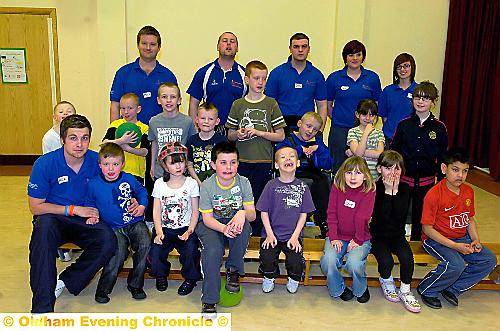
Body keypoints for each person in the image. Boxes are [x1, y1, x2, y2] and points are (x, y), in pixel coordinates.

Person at [27, 114, 117, 313]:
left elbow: (114, 186)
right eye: (73, 138)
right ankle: (42, 308)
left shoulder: (97, 161)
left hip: (85, 219)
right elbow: (36, 206)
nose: (79, 144)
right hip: (53, 217)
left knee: (109, 240)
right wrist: (71, 209)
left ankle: (67, 280)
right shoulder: (44, 164)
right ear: (62, 140)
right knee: (41, 237)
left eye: (84, 138)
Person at [417, 147, 497, 309]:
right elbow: (427, 229)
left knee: (489, 260)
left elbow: (469, 219)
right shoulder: (434, 194)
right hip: (435, 240)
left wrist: (475, 239)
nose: (460, 175)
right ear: (444, 169)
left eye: (465, 171)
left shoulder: (468, 191)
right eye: (455, 170)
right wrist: (454, 246)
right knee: (456, 264)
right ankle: (427, 289)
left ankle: (453, 288)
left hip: (462, 238)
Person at [195, 142, 255, 317]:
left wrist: (243, 213)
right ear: (213, 165)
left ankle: (233, 270)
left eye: (233, 162)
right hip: (211, 224)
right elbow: (207, 219)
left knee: (244, 229)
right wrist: (224, 229)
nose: (228, 167)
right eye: (223, 162)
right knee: (213, 251)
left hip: (233, 221)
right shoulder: (207, 185)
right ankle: (209, 299)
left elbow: (252, 215)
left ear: (238, 163)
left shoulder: (244, 182)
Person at [226, 60, 286, 235]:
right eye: (256, 78)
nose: (260, 82)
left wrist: (259, 133)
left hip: (263, 161)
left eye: (264, 79)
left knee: (261, 202)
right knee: (241, 201)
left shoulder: (271, 104)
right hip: (242, 162)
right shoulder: (238, 104)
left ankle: (260, 239)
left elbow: (280, 135)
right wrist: (239, 134)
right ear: (247, 79)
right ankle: (240, 234)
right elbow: (229, 134)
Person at [86, 143, 150, 304]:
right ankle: (103, 289)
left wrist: (142, 206)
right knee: (117, 255)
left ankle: (135, 284)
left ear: (122, 164)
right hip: (113, 228)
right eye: (106, 164)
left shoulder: (128, 178)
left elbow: (142, 191)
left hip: (134, 222)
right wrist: (92, 215)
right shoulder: (93, 184)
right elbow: (89, 203)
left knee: (145, 243)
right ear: (100, 165)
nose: (111, 169)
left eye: (115, 164)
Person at [391, 81, 448, 241]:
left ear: (433, 102)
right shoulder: (404, 125)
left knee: (422, 218)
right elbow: (394, 151)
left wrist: (441, 181)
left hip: (427, 182)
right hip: (404, 180)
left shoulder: (439, 127)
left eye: (425, 98)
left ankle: (417, 246)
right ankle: (397, 244)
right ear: (412, 100)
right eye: (417, 97)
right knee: (398, 214)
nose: (420, 102)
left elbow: (443, 156)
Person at [258, 146, 315, 294]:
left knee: (296, 260)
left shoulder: (303, 187)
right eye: (283, 157)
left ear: (297, 163)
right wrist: (270, 234)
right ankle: (269, 277)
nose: (288, 159)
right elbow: (263, 211)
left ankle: (294, 278)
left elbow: (304, 214)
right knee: (267, 256)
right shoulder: (271, 185)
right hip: (272, 234)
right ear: (276, 165)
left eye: (291, 156)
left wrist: (295, 236)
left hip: (293, 235)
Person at [370, 150, 421, 313]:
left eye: (397, 169)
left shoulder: (405, 188)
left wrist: (394, 192)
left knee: (407, 258)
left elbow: (400, 216)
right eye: (388, 168)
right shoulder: (374, 188)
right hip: (377, 235)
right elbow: (382, 217)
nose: (393, 173)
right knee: (386, 262)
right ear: (379, 169)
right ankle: (386, 280)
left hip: (397, 235)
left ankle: (405, 290)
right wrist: (387, 191)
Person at [320, 156, 375, 303]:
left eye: (358, 173)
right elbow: (331, 214)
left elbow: (362, 217)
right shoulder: (337, 188)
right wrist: (333, 237)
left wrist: (357, 240)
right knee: (328, 261)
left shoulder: (369, 191)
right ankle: (339, 288)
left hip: (360, 237)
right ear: (343, 174)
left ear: (365, 176)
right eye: (349, 172)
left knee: (354, 264)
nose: (353, 177)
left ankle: (361, 288)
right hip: (337, 235)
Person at [150, 142, 202, 296]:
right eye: (173, 163)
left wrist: (190, 230)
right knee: (156, 250)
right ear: (165, 166)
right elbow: (156, 210)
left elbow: (195, 211)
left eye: (181, 161)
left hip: (185, 228)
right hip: (164, 228)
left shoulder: (191, 184)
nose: (178, 166)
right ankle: (161, 275)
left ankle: (190, 279)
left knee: (191, 251)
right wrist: (159, 232)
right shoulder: (160, 184)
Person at [326, 40, 382, 173]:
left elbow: (377, 105)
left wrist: (365, 125)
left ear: (363, 57)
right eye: (351, 55)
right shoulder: (334, 78)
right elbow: (328, 105)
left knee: (364, 169)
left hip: (365, 131)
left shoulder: (372, 78)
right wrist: (339, 119)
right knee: (338, 168)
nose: (355, 58)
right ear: (345, 57)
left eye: (358, 54)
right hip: (340, 130)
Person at [276, 111, 333, 237]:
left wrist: (319, 150)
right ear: (299, 123)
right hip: (292, 174)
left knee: (324, 181)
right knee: (307, 183)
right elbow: (280, 157)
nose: (310, 131)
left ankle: (322, 221)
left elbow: (328, 164)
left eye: (315, 129)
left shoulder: (317, 142)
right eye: (308, 126)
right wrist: (298, 151)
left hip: (314, 174)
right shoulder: (288, 139)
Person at [109, 26, 177, 124]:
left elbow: (174, 110)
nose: (148, 48)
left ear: (159, 48)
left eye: (152, 44)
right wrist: (114, 133)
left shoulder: (168, 76)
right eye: (144, 43)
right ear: (138, 45)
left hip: (160, 135)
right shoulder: (123, 73)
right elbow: (115, 106)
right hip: (130, 135)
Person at [266, 32, 327, 131]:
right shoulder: (277, 73)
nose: (300, 50)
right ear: (290, 49)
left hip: (308, 127)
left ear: (309, 49)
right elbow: (269, 105)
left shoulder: (317, 75)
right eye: (296, 47)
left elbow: (322, 105)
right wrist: (272, 130)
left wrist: (319, 131)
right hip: (281, 126)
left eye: (304, 46)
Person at [187, 32, 246, 129]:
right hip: (209, 130)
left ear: (237, 48)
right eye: (224, 41)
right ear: (218, 47)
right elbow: (193, 104)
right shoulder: (204, 72)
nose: (228, 44)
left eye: (232, 41)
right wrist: (195, 130)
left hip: (236, 131)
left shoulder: (245, 74)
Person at [41, 100, 77, 262]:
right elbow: (47, 161)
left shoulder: (76, 135)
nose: (65, 113)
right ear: (54, 116)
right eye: (61, 111)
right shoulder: (49, 138)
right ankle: (60, 246)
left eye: (69, 111)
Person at [149, 82, 197, 181]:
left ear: (179, 100)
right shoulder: (153, 121)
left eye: (173, 97)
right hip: (160, 172)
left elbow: (193, 145)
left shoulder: (187, 121)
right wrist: (152, 166)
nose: (169, 100)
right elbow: (154, 143)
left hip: (181, 171)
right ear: (158, 100)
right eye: (164, 97)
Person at [103, 93, 149, 183]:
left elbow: (145, 151)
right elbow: (104, 144)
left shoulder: (145, 128)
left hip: (137, 173)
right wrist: (121, 141)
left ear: (138, 109)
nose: (126, 112)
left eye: (130, 108)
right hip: (116, 171)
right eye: (123, 108)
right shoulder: (115, 125)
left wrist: (128, 148)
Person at [378, 53, 417, 145]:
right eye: (399, 67)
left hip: (412, 139)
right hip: (389, 138)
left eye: (406, 66)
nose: (402, 70)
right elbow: (384, 118)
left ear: (413, 68)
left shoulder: (418, 91)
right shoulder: (387, 91)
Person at [186, 102, 228, 186]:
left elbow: (226, 164)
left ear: (217, 121)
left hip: (217, 184)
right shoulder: (191, 140)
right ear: (196, 120)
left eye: (210, 119)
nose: (206, 122)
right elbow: (189, 164)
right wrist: (199, 183)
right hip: (196, 184)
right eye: (202, 118)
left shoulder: (222, 141)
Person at [347, 99, 385, 180]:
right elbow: (358, 155)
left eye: (371, 115)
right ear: (357, 114)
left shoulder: (379, 133)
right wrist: (366, 133)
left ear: (375, 117)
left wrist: (358, 151)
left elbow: (380, 154)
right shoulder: (352, 131)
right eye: (364, 114)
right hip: (356, 176)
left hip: (374, 177)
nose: (367, 118)